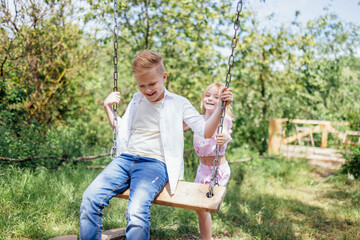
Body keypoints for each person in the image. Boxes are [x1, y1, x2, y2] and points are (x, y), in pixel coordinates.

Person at [79, 50, 233, 240]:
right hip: (126, 159)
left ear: (164, 77)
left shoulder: (179, 103)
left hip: (154, 164)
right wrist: (107, 107)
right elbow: (121, 129)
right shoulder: (137, 100)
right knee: (90, 198)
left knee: (136, 210)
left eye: (152, 84)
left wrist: (221, 107)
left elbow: (206, 130)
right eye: (142, 85)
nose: (147, 90)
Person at [193, 83, 234, 240]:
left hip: (217, 171)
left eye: (216, 97)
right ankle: (206, 238)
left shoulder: (224, 119)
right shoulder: (199, 119)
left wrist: (223, 137)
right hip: (202, 169)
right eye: (208, 95)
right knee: (199, 208)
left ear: (222, 102)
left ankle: (207, 238)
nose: (210, 98)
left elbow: (223, 130)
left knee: (204, 206)